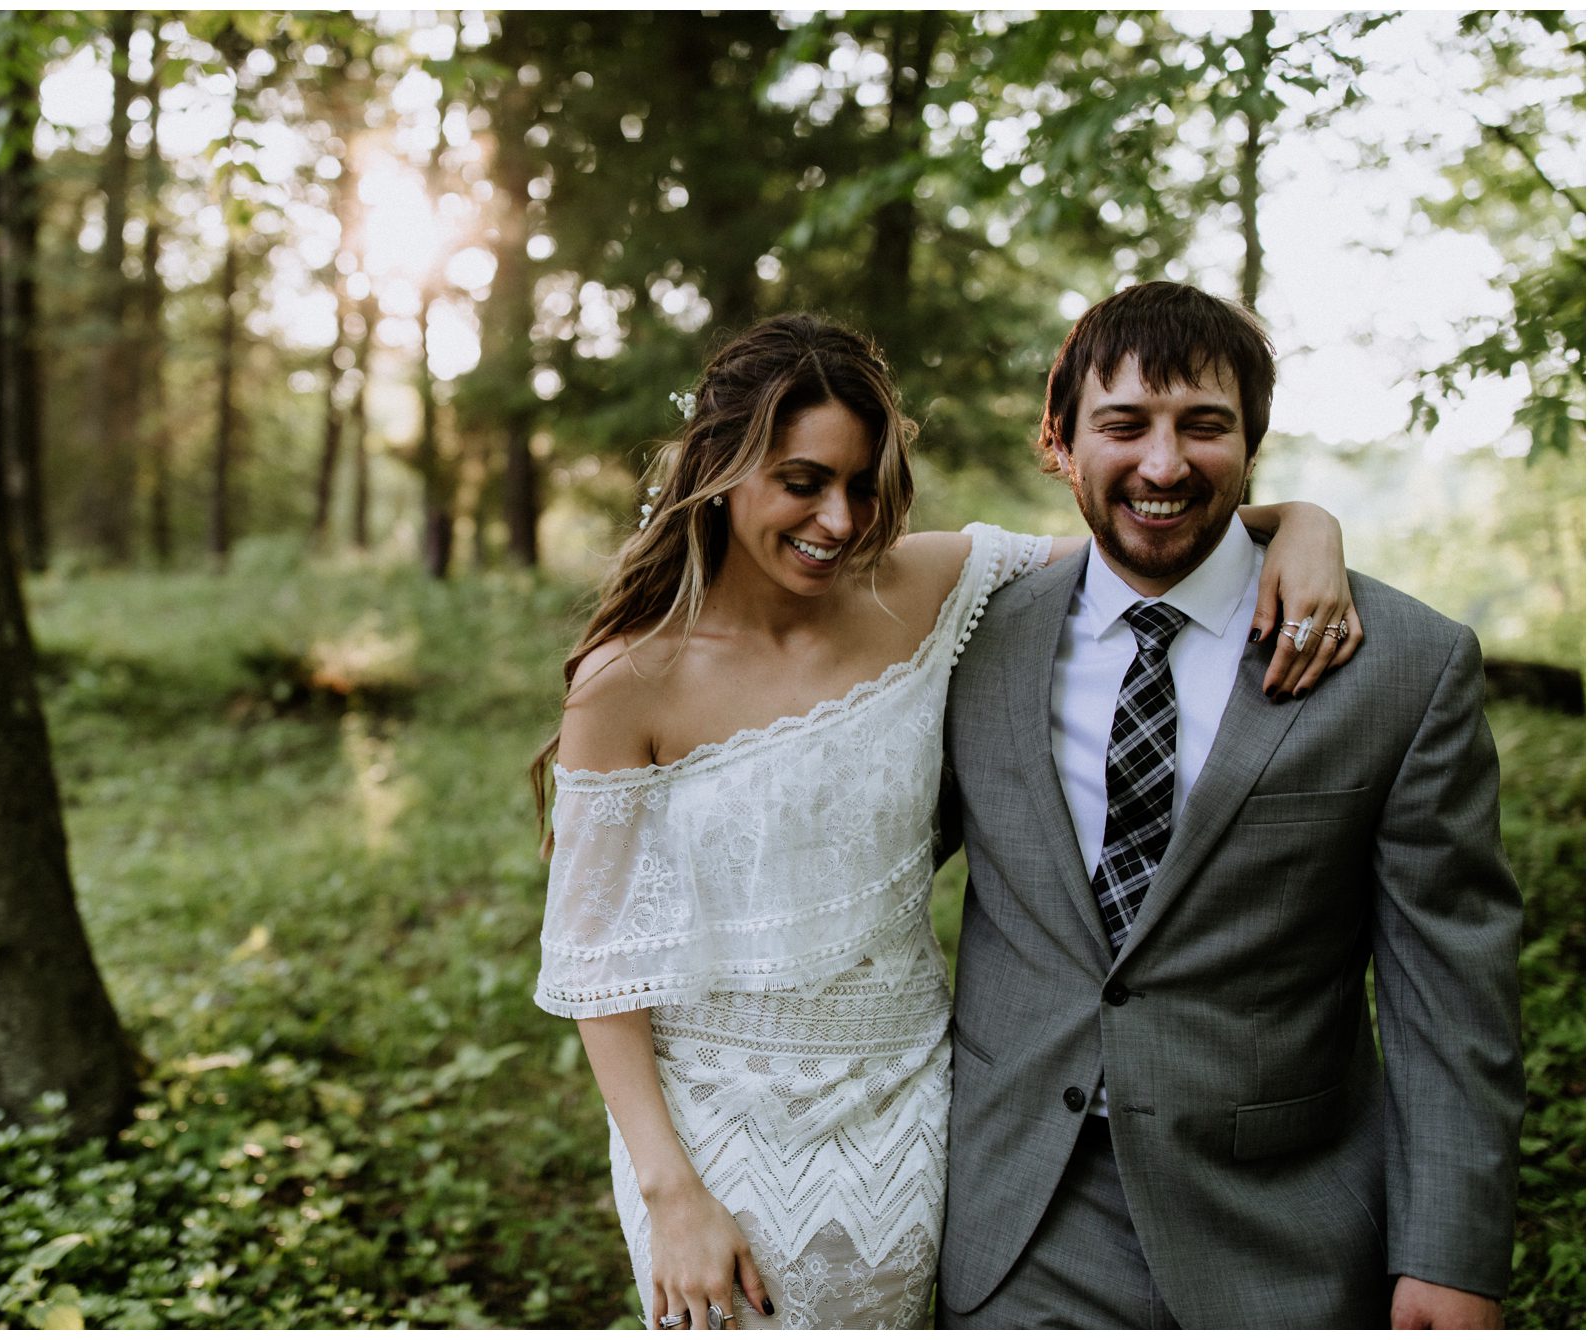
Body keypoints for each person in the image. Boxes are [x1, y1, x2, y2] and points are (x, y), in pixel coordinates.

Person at [530, 313, 1358, 1329]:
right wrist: (669, 1190)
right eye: (801, 480)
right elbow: (597, 963)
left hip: (905, 1109)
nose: (837, 519)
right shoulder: (628, 680)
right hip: (712, 1129)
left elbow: (1142, 531)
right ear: (722, 467)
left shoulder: (929, 586)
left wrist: (1302, 523)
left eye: (861, 483)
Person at [936, 281, 1525, 1328]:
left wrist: (1449, 1250)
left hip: (1283, 1235)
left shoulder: (1405, 667)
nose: (1162, 464)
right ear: (1058, 439)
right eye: (1122, 425)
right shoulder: (969, 643)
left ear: (1248, 441)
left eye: (1201, 425)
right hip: (1018, 1224)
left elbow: (1450, 991)